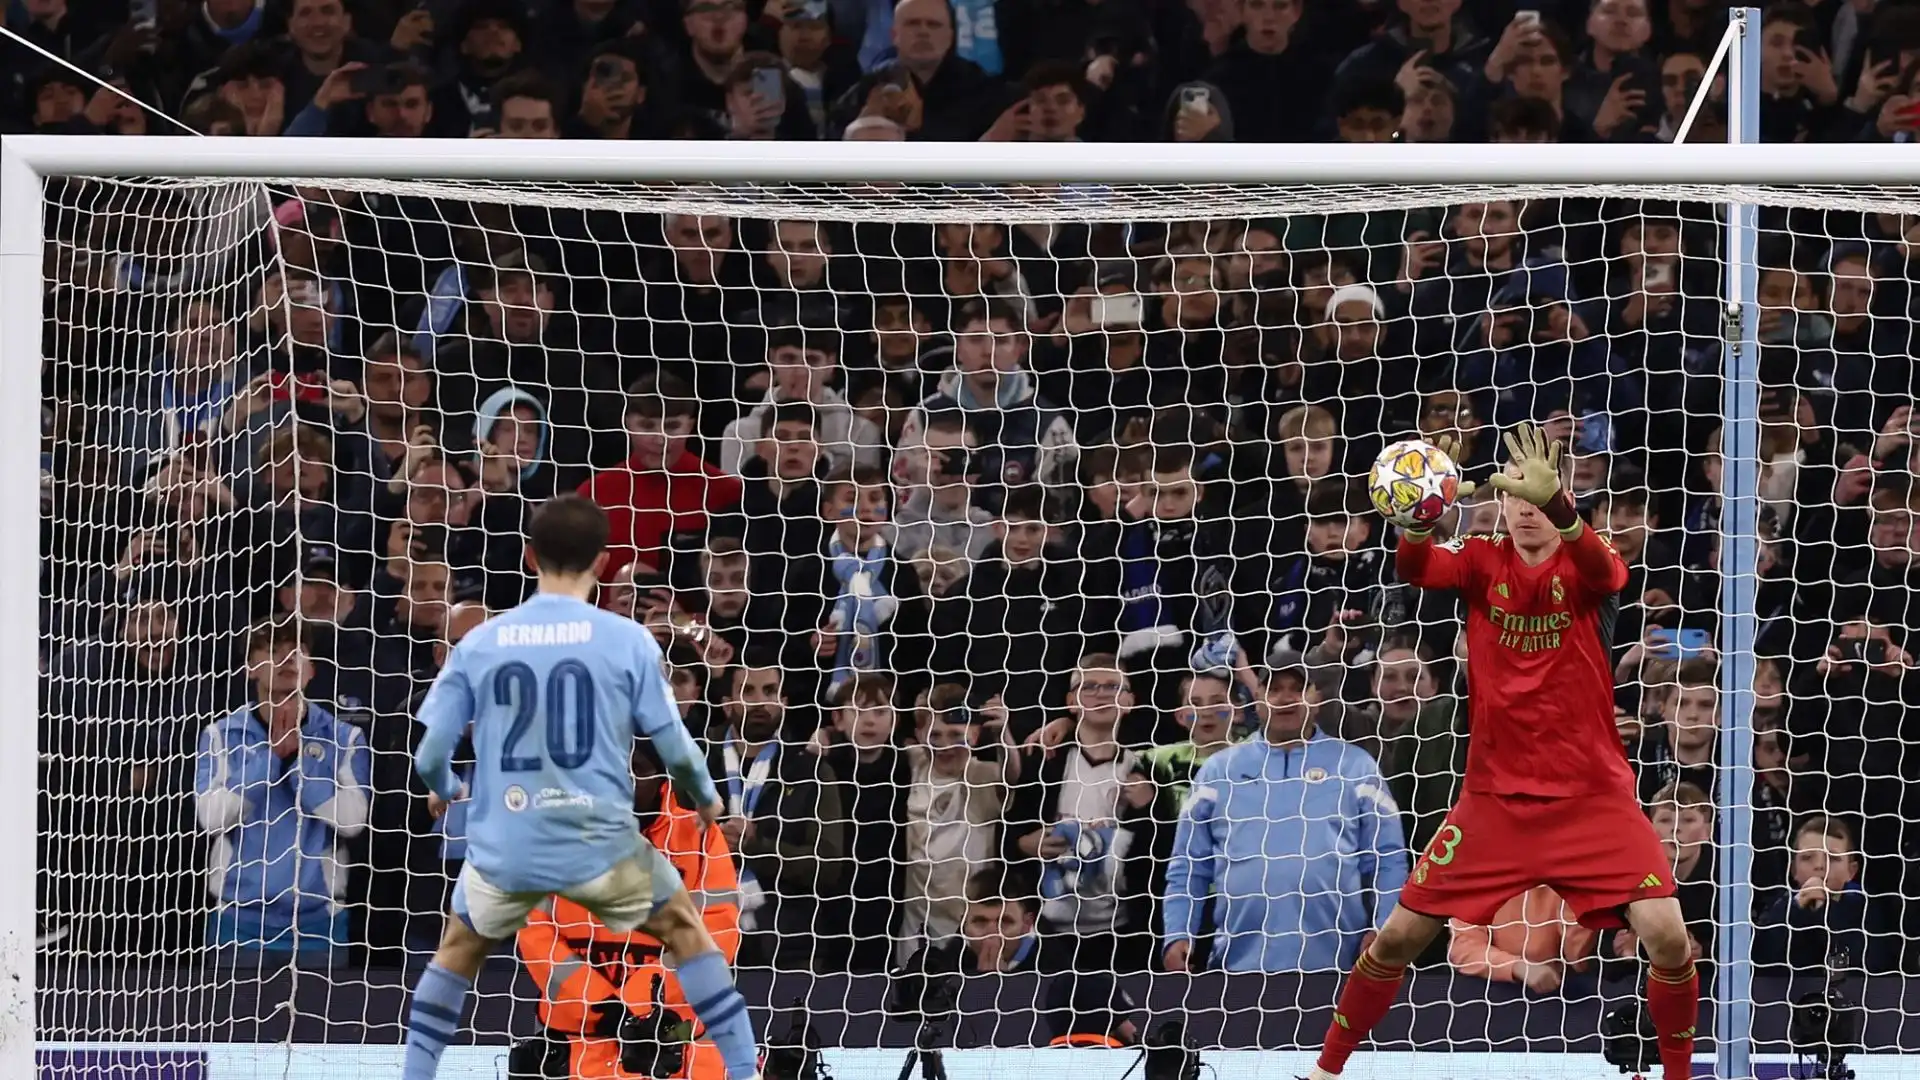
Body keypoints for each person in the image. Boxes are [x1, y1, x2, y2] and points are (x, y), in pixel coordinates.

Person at [1309, 423, 1698, 1080]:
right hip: (1495, 802)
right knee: (1400, 936)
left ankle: (1680, 1076)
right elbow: (1416, 568)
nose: (1522, 513)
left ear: (1555, 502)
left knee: (1667, 937)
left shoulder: (1583, 559)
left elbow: (1613, 572)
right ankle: (1325, 1070)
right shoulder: (1481, 559)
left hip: (1590, 799)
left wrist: (1566, 512)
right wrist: (1414, 520)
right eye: (1513, 502)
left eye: (1535, 500)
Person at [404, 495, 762, 1080]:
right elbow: (672, 741)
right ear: (601, 561)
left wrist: (444, 787)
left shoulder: (482, 641)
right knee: (688, 934)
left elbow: (432, 753)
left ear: (527, 557)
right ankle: (745, 1071)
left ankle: (414, 1074)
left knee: (455, 956)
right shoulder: (622, 640)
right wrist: (704, 793)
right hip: (591, 829)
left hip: (511, 834)